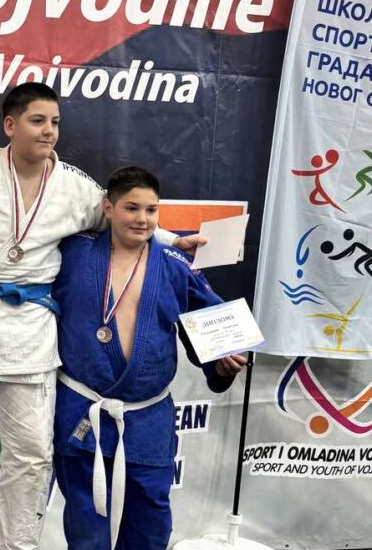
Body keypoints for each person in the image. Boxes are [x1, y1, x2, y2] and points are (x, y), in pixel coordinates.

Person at [0, 83, 202, 550]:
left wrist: (169, 239)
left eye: (55, 122)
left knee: (32, 455)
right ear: (10, 125)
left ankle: (16, 545)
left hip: (33, 331)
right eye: (38, 121)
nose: (49, 131)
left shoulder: (76, 188)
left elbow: (124, 216)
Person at [51, 166, 247, 550]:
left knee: (151, 523)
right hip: (83, 408)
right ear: (108, 208)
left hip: (147, 416)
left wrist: (222, 362)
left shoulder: (175, 263)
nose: (142, 219)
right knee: (86, 524)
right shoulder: (72, 254)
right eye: (131, 208)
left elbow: (210, 323)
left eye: (151, 210)